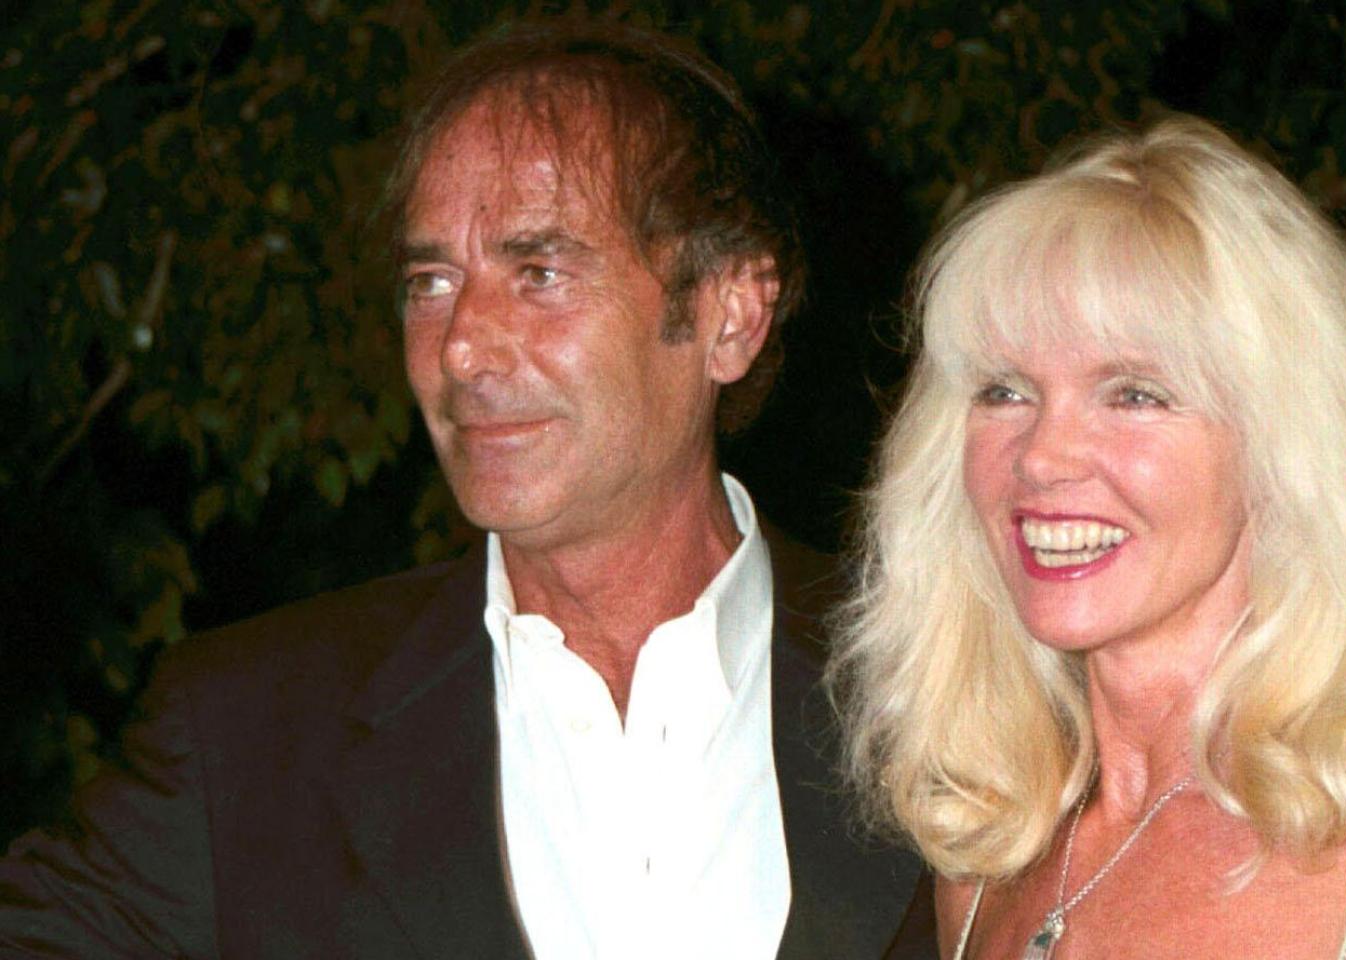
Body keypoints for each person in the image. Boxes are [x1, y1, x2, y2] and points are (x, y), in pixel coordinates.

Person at [0, 18, 930, 960]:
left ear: (730, 314)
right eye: (432, 282)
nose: (461, 347)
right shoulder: (248, 737)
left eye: (540, 272)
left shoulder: (945, 690)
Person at [831, 115, 1346, 959]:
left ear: (1286, 448)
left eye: (1136, 394)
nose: (1041, 457)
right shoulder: (989, 851)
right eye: (1004, 391)